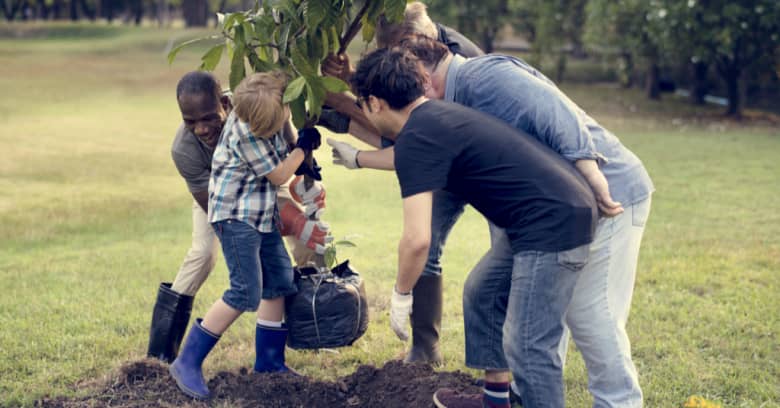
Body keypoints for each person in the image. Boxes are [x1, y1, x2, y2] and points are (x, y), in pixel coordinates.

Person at [367, 36, 655, 407]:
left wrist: (590, 170)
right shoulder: (445, 109)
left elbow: (555, 111)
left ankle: (620, 403)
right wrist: (358, 157)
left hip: (609, 193)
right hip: (546, 212)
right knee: (484, 291)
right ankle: (500, 397)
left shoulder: (482, 77)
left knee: (586, 317)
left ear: (421, 78)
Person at [319, 0, 484, 366]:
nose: (389, 60)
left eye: (389, 52)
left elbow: (415, 139)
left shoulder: (457, 63)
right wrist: (350, 81)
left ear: (411, 40)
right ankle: (425, 349)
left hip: (482, 160)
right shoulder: (412, 52)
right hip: (440, 149)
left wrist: (347, 106)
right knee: (428, 246)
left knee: (455, 256)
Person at [147, 72, 331, 364]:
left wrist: (305, 173)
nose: (201, 129)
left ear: (225, 103)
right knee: (203, 255)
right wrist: (286, 221)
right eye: (190, 122)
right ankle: (161, 352)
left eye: (208, 118)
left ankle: (313, 328)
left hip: (263, 182)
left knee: (300, 248)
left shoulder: (256, 104)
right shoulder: (185, 150)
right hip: (221, 199)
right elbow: (218, 208)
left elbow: (285, 141)